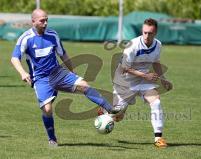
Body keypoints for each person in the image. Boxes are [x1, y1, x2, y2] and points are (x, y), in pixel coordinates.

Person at [11, 9, 121, 147]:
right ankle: (52, 139)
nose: (45, 23)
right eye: (42, 20)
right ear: (33, 21)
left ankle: (110, 109)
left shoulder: (53, 35)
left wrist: (72, 73)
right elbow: (15, 58)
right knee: (47, 109)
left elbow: (63, 54)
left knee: (84, 85)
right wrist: (23, 73)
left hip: (58, 73)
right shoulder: (25, 38)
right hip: (41, 79)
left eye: (46, 20)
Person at [111, 18, 172, 148]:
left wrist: (163, 79)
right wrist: (146, 75)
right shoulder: (132, 45)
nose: (147, 36)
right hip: (125, 81)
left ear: (155, 33)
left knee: (156, 102)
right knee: (117, 116)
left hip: (144, 81)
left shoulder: (158, 45)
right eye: (145, 32)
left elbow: (156, 62)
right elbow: (125, 68)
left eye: (150, 33)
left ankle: (158, 138)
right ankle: (106, 112)